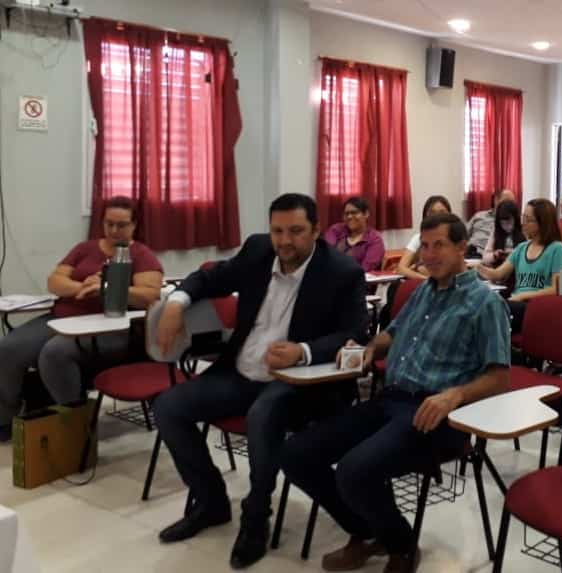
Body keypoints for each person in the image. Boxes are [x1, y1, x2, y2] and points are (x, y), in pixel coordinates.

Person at [280, 213, 510, 573]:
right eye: (425, 246)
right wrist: (369, 348)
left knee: (354, 471)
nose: (429, 255)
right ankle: (370, 531)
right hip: (391, 400)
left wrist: (455, 395)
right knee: (296, 453)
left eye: (439, 245)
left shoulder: (484, 303)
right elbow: (391, 334)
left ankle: (401, 546)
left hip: (437, 415)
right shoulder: (423, 292)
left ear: (462, 247)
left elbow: (499, 376)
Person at [152, 194, 369, 570]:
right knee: (169, 407)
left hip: (297, 384)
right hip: (240, 373)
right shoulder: (257, 251)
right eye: (277, 231)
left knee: (263, 415)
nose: (285, 241)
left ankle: (256, 517)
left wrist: (302, 351)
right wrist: (176, 302)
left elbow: (354, 333)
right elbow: (209, 277)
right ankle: (211, 501)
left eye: (296, 231)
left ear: (316, 231)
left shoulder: (341, 272)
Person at [0, 196, 163, 442]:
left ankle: (76, 428)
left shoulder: (140, 254)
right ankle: (6, 418)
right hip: (62, 317)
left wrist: (106, 289)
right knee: (8, 348)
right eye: (109, 224)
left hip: (109, 327)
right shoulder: (84, 249)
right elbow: (55, 281)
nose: (114, 230)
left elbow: (149, 296)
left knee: (54, 354)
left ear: (134, 225)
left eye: (121, 225)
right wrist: (83, 287)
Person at [478, 199, 562, 333]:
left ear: (543, 222)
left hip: (538, 306)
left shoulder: (557, 249)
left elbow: (556, 289)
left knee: (494, 311)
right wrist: (476, 267)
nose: (523, 223)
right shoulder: (522, 248)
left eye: (529, 220)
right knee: (483, 306)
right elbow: (497, 274)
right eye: (523, 217)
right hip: (516, 304)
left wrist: (523, 296)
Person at [324, 197, 386, 273]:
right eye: (346, 214)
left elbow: (364, 269)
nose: (349, 216)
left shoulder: (375, 239)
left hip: (358, 279)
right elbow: (326, 255)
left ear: (366, 214)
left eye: (354, 212)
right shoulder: (336, 230)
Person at [397, 195, 452, 280]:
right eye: (432, 213)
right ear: (425, 216)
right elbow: (401, 268)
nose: (437, 217)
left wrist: (417, 268)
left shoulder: (454, 238)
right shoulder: (418, 238)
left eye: (442, 213)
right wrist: (426, 279)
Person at [466, 188, 517, 258]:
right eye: (507, 202)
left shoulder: (513, 223)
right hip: (470, 254)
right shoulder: (479, 216)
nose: (510, 206)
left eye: (512, 203)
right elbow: (463, 235)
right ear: (496, 200)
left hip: (493, 258)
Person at [481, 199, 525, 267]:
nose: (506, 226)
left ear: (515, 218)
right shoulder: (496, 231)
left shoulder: (524, 230)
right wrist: (495, 255)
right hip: (499, 267)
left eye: (508, 222)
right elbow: (485, 259)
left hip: (518, 268)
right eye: (502, 223)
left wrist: (514, 254)